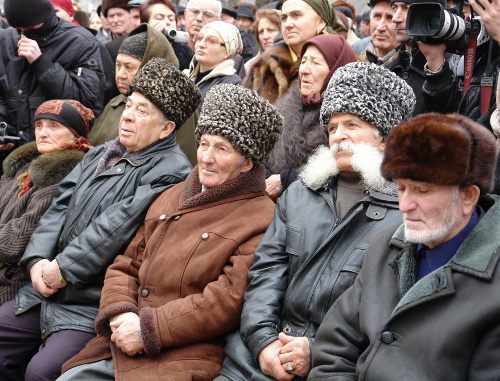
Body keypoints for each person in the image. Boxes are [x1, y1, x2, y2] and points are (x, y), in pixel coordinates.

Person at [57, 84, 283, 381]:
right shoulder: (173, 194)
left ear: (248, 163)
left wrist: (147, 329)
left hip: (181, 353)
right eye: (203, 144)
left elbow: (223, 302)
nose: (206, 157)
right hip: (122, 339)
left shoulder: (260, 217)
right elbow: (125, 263)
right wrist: (121, 312)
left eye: (222, 149)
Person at [0, 58, 200, 381]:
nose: (129, 116)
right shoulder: (102, 151)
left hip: (88, 302)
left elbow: (114, 228)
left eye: (143, 111)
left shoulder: (171, 171)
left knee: (42, 372)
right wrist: (37, 260)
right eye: (129, 105)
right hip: (46, 287)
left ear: (167, 128)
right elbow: (60, 205)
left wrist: (61, 270)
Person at [216, 62, 415, 381]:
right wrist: (263, 342)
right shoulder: (301, 192)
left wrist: (318, 349)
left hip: (336, 367)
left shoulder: (407, 210)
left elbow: (393, 317)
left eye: (352, 124)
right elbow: (266, 271)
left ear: (384, 137)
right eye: (332, 127)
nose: (339, 136)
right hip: (258, 357)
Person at [309, 112, 500, 380]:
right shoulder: (385, 246)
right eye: (400, 188)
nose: (404, 206)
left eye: (422, 190)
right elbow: (333, 350)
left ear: (468, 196)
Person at [0, 99, 93, 306]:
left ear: (75, 134)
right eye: (39, 125)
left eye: (54, 126)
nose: (43, 133)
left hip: (15, 282)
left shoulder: (64, 177)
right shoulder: (23, 165)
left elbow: (16, 240)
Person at [0, 0, 104, 173]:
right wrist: (2, 126)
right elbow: (2, 95)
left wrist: (41, 63)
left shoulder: (81, 42)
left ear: (46, 16)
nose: (24, 35)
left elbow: (85, 102)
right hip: (13, 159)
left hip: (60, 160)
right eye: (19, 30)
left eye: (32, 28)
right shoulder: (5, 39)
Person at [89, 23, 198, 166]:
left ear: (150, 65)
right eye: (118, 65)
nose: (120, 74)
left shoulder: (175, 110)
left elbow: (181, 165)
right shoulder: (115, 102)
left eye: (129, 67)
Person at [264, 34, 358, 201]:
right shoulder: (285, 107)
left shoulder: (353, 116)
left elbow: (343, 172)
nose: (304, 70)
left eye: (315, 63)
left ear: (337, 69)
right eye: (304, 61)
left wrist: (287, 179)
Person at [246, 0, 345, 104]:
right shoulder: (264, 65)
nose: (287, 24)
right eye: (284, 18)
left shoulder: (341, 61)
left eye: (297, 15)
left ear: (320, 22)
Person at [387, 0, 458, 116]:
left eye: (407, 8)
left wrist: (435, 64)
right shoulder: (389, 69)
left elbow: (445, 119)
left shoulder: (456, 66)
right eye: (394, 8)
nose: (395, 18)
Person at [185, 20, 243, 110]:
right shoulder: (185, 75)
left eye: (212, 41)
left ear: (227, 51)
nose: (201, 44)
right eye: (199, 38)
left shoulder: (231, 85)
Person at [139, 0, 194, 70]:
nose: (167, 22)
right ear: (145, 23)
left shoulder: (186, 53)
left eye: (171, 19)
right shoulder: (136, 46)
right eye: (159, 18)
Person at [243, 8, 281, 82]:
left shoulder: (299, 63)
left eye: (271, 30)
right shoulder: (250, 67)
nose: (265, 36)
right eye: (261, 32)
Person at [357, 0, 399, 66]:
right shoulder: (355, 56)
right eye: (377, 16)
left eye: (390, 17)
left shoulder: (412, 65)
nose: (380, 27)